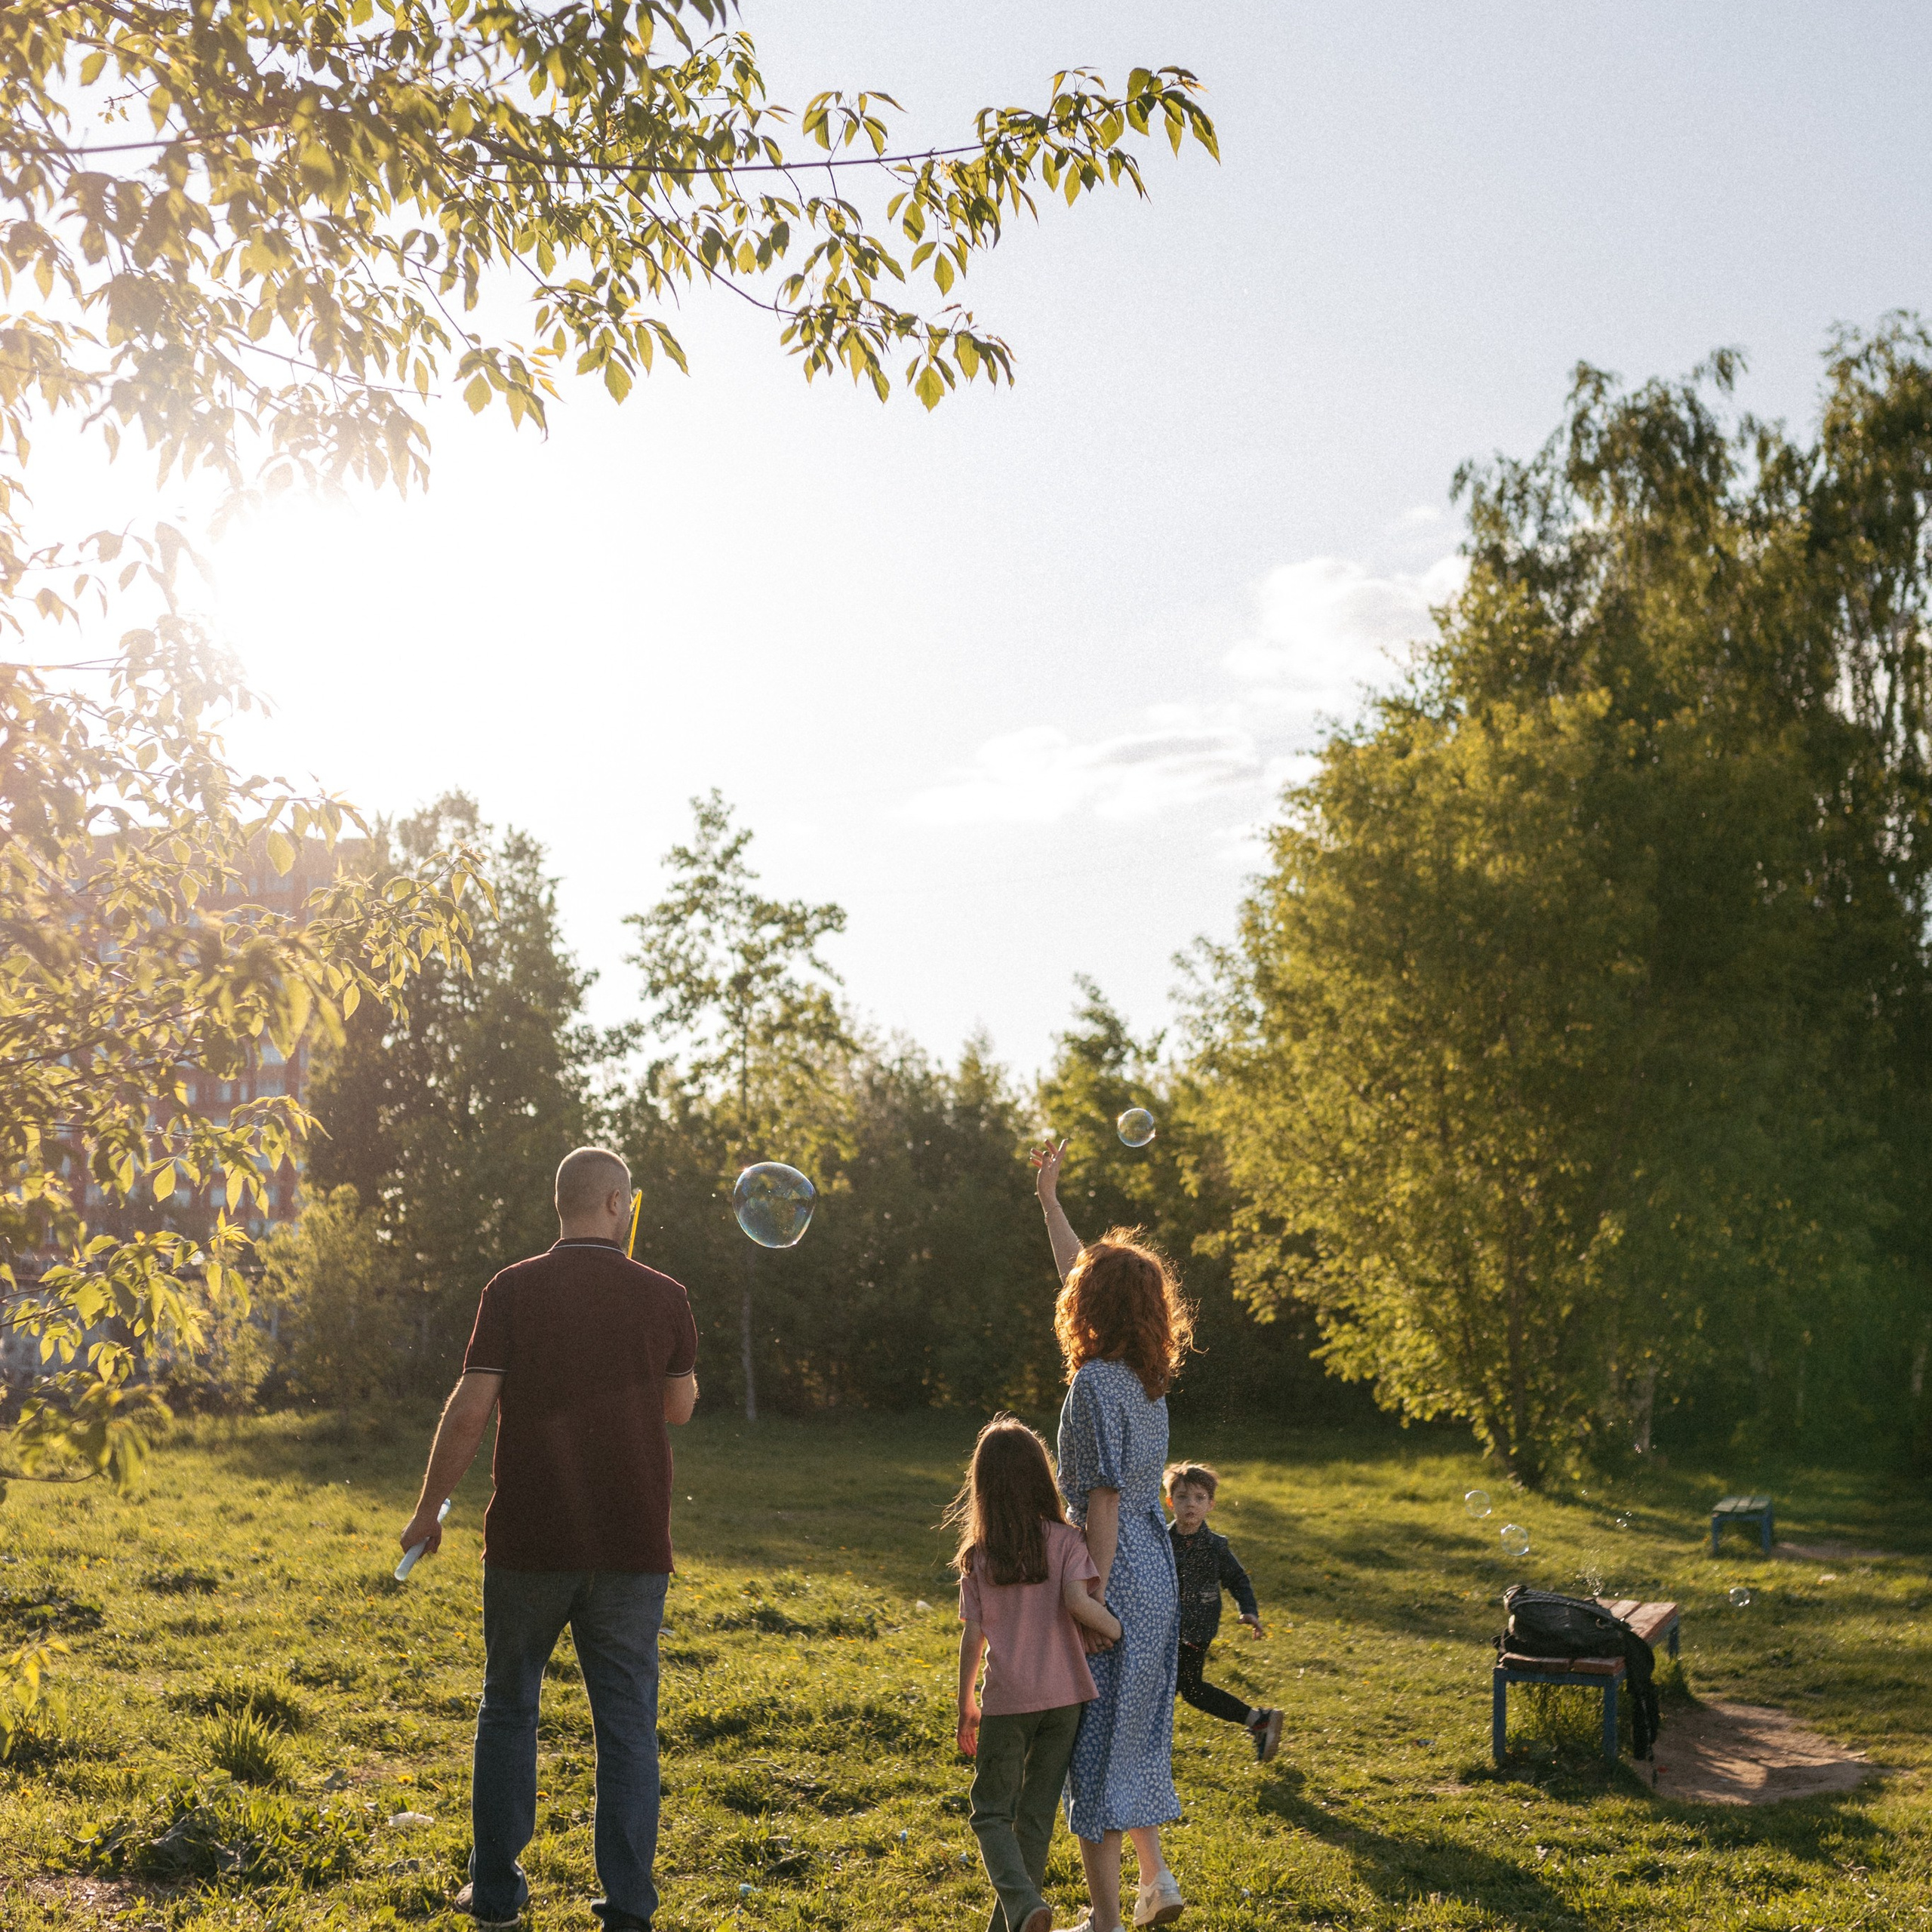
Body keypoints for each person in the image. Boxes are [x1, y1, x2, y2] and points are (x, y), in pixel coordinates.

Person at [397, 1146, 700, 1931]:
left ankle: (495, 1896)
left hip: (530, 1540)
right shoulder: (666, 1296)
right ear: (612, 1205)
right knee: (627, 1725)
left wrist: (430, 1507)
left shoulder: (511, 1290)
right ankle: (628, 1910)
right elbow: (681, 1407)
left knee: (507, 1710)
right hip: (631, 1546)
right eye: (627, 1202)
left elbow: (470, 1406)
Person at [1030, 1139, 1194, 1932]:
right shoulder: (1146, 1383)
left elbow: (1097, 1499)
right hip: (1156, 1571)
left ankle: (1101, 1921)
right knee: (1131, 1735)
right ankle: (1154, 1877)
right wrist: (1049, 1201)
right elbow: (1081, 1270)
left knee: (1094, 1751)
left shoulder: (1093, 1382)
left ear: (1087, 1307)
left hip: (1114, 1567)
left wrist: (1085, 1594)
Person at [952, 1415, 1125, 1932]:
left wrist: (966, 1702)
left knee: (989, 1812)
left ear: (982, 1487)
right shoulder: (1068, 1541)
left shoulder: (980, 1558)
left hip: (1009, 1703)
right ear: (1041, 1476)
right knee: (1034, 1818)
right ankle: (1017, 1918)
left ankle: (1025, 1907)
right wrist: (1115, 1630)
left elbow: (972, 1637)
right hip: (1068, 1700)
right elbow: (1082, 1603)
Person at [1162, 1463, 1283, 1762]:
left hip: (1196, 1630)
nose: (1191, 1504)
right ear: (1169, 1502)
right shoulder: (1159, 1542)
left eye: (1200, 1498)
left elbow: (1238, 1579)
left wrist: (1249, 1611)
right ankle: (1258, 1720)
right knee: (1178, 1688)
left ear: (1211, 1505)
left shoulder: (1216, 1547)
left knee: (1186, 1688)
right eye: (1183, 1497)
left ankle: (1259, 1720)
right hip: (1160, 1629)